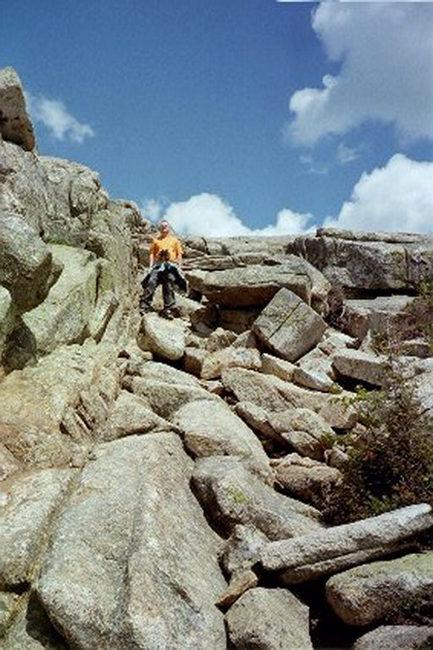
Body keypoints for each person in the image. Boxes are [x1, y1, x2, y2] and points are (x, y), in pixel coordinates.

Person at [139, 220, 186, 318]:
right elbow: (151, 253)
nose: (164, 227)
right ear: (160, 229)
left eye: (166, 226)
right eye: (162, 226)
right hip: (158, 264)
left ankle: (169, 309)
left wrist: (179, 266)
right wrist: (151, 265)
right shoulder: (156, 241)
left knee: (168, 283)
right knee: (151, 281)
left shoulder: (175, 240)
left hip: (170, 264)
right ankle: (144, 305)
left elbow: (179, 254)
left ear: (169, 228)